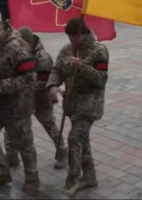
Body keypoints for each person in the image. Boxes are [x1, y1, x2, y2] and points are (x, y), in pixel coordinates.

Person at [0, 13, 39, 194]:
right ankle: (1, 170)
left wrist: (1, 86)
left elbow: (29, 78)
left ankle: (32, 179)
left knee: (23, 143)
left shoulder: (18, 48)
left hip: (18, 104)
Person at [46, 17, 109, 196]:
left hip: (90, 105)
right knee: (83, 140)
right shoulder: (67, 50)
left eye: (74, 37)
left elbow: (101, 80)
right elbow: (57, 70)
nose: (71, 41)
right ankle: (90, 176)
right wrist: (52, 86)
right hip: (72, 104)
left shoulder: (99, 51)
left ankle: (73, 178)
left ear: (83, 33)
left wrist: (82, 67)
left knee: (74, 138)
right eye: (69, 37)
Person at [4, 27, 67, 170]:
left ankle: (62, 151)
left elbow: (43, 83)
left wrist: (22, 85)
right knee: (12, 127)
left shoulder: (43, 58)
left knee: (49, 125)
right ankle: (11, 156)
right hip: (21, 98)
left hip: (40, 99)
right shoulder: (18, 53)